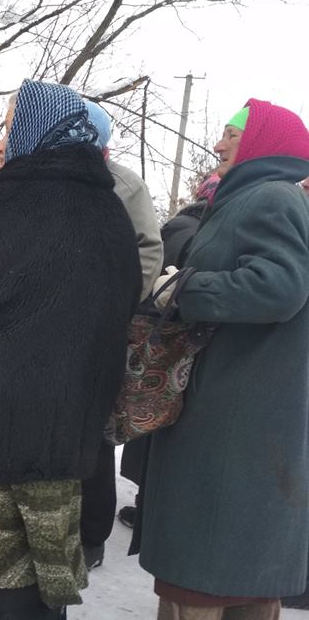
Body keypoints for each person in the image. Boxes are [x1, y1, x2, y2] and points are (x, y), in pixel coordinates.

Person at [0, 80, 142, 619]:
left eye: (14, 123)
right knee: (46, 576)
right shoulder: (108, 211)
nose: (6, 136)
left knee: (9, 578)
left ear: (38, 127)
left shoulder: (5, 208)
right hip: (70, 427)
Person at [139, 99, 309, 620]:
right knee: (238, 583)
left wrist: (185, 290)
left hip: (233, 428)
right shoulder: (253, 198)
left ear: (262, 142)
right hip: (235, 423)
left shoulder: (271, 198)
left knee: (206, 583)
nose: (217, 145)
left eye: (231, 136)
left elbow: (280, 287)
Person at [78, 100, 164, 570]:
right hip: (59, 329)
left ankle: (92, 536)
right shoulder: (62, 177)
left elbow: (149, 249)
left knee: (95, 436)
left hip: (103, 330)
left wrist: (119, 307)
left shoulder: (124, 183)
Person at [116, 170, 221, 532]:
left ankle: (144, 508)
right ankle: (149, 511)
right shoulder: (194, 233)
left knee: (150, 426)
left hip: (150, 334)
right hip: (167, 340)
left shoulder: (177, 226)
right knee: (160, 422)